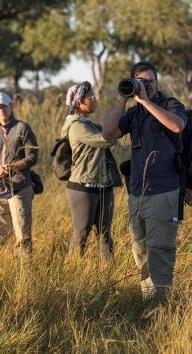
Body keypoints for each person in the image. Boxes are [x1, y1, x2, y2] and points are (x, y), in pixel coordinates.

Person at [102, 61, 187, 301]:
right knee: (139, 248)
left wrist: (147, 102)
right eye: (142, 81)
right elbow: (108, 133)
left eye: (150, 81)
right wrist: (124, 98)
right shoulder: (133, 112)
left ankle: (160, 306)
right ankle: (148, 301)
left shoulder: (170, 104)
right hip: (137, 192)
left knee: (159, 251)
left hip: (164, 190)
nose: (146, 85)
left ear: (157, 82)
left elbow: (178, 126)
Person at [61, 81, 121, 259]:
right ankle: (74, 274)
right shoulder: (76, 126)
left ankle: (108, 275)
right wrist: (120, 107)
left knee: (105, 235)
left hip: (103, 185)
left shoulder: (90, 124)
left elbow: (110, 135)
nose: (95, 99)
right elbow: (106, 140)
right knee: (81, 233)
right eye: (90, 97)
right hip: (83, 186)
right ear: (79, 102)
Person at [0, 92, 39, 256]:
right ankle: (5, 268)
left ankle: (24, 272)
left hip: (19, 188)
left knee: (23, 236)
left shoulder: (23, 127)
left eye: (4, 107)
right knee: (0, 237)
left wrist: (12, 167)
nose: (1, 111)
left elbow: (33, 157)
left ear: (10, 106)